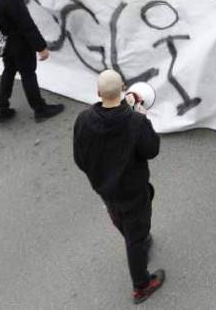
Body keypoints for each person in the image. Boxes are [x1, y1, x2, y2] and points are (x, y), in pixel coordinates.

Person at [72, 69, 166, 304]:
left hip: (106, 190)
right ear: (123, 87)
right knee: (135, 237)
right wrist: (144, 117)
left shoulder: (83, 120)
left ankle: (138, 238)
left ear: (98, 92)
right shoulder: (135, 121)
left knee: (122, 219)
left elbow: (79, 158)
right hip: (132, 191)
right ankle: (142, 286)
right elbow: (151, 150)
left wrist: (99, 178)